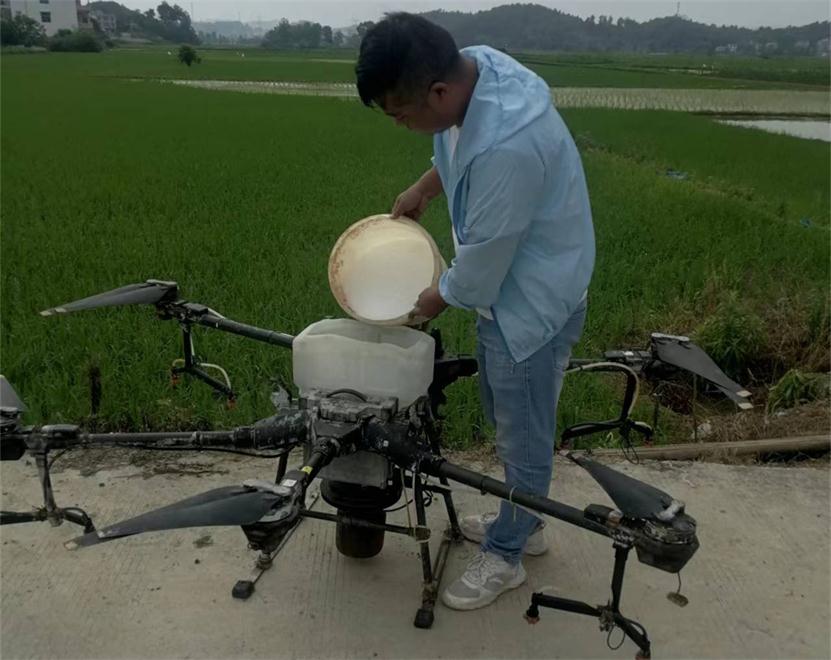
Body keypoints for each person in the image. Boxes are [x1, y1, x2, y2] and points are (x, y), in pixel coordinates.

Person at [356, 13, 595, 611]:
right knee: (508, 417)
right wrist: (425, 188)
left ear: (438, 92)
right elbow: (457, 151)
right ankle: (525, 520)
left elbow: (482, 267)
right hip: (517, 290)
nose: (402, 125)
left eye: (401, 114)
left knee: (523, 437)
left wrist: (429, 300)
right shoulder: (478, 69)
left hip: (529, 307)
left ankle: (508, 554)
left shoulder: (508, 146)